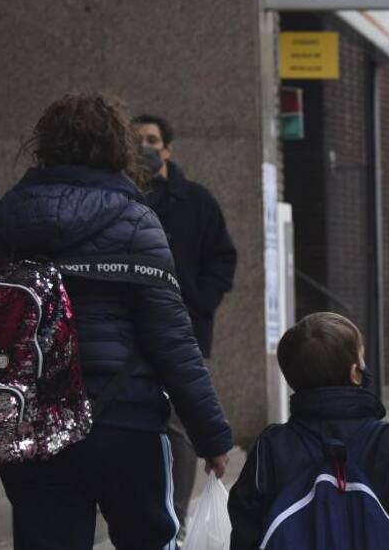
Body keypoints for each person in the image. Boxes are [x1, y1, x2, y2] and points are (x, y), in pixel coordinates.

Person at [0, 93, 233, 549]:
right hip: (124, 421)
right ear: (118, 148)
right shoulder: (135, 221)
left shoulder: (5, 223)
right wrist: (210, 434)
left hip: (34, 425)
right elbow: (171, 340)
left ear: (44, 146)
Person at [227, 312, 389, 549]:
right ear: (356, 373)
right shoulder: (388, 442)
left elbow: (245, 516)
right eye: (362, 358)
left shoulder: (272, 445)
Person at [133, 113, 238, 533]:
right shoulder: (125, 198)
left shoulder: (196, 200)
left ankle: (173, 515)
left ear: (168, 148)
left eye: (152, 139)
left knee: (177, 423)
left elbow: (223, 257)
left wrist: (202, 300)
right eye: (137, 139)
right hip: (133, 329)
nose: (145, 145)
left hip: (184, 328)